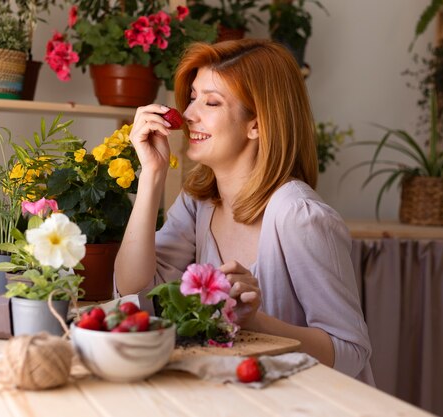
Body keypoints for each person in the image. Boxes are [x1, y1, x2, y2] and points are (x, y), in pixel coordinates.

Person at [114, 39, 374, 384]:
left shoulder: (300, 217)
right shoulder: (198, 203)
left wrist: (256, 321)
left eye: (211, 102)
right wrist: (152, 174)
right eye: (192, 97)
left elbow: (350, 350)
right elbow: (133, 290)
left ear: (257, 124)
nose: (189, 114)